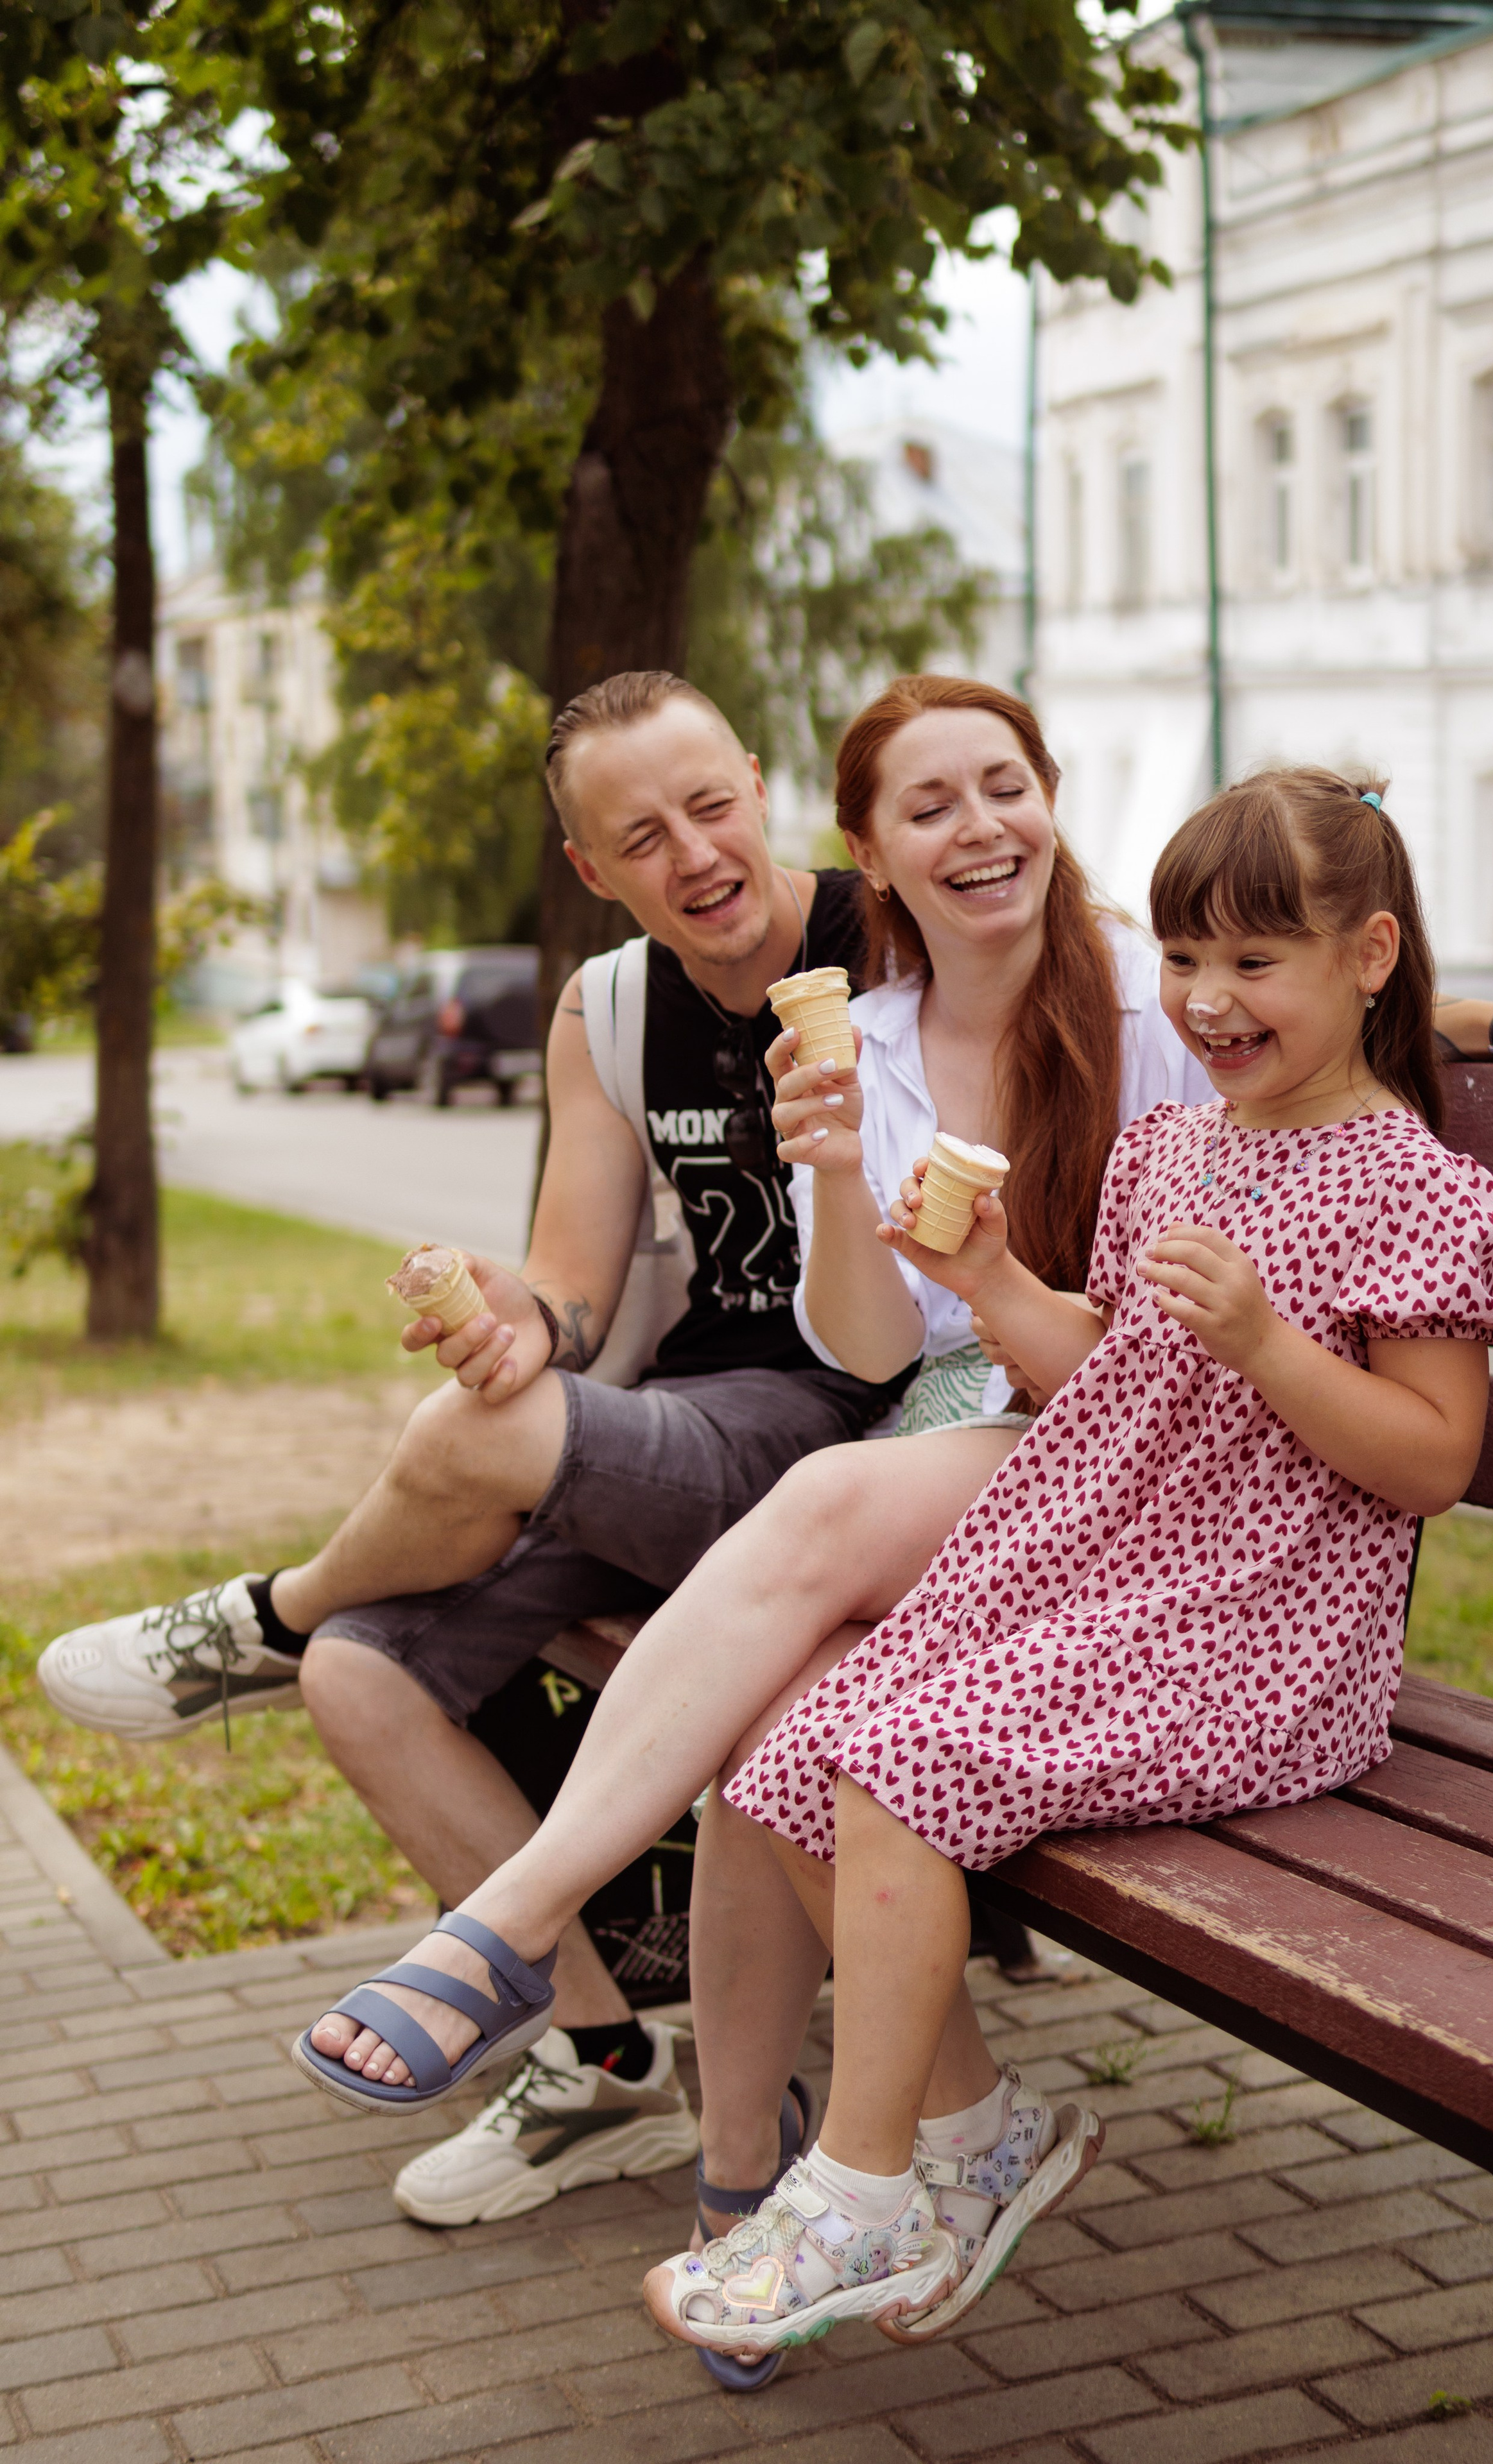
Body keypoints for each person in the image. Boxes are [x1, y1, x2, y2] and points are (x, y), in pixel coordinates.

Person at [283, 766, 1493, 2357]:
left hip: (1265, 1633)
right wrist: (996, 1281)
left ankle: (859, 2189)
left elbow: (1430, 1461)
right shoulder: (1172, 1152)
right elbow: (1107, 1370)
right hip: (1116, 1586)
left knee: (892, 1752)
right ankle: (976, 2140)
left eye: (1252, 963)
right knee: (797, 1740)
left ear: (1366, 957)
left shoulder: (1419, 1187)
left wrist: (1271, 1345)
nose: (1208, 1002)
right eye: (1182, 961)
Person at [37, 669, 915, 2211]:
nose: (693, 854)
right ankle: (602, 2065)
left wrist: (1483, 1013)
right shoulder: (611, 1007)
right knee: (362, 1672)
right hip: (694, 1421)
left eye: (711, 805)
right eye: (639, 837)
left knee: (464, 1447)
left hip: (857, 1440)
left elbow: (1157, 974)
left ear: (763, 785)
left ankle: (257, 1615)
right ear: (589, 869)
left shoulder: (900, 928)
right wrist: (525, 1322)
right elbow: (574, 1286)